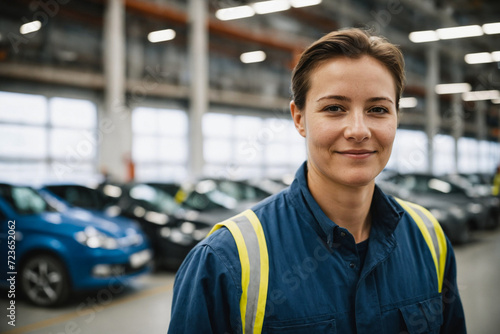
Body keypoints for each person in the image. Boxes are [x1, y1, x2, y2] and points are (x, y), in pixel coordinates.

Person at [168, 28, 466, 333]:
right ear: (299, 118)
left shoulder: (429, 239)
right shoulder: (223, 261)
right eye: (334, 108)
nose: (358, 130)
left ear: (396, 118)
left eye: (378, 109)